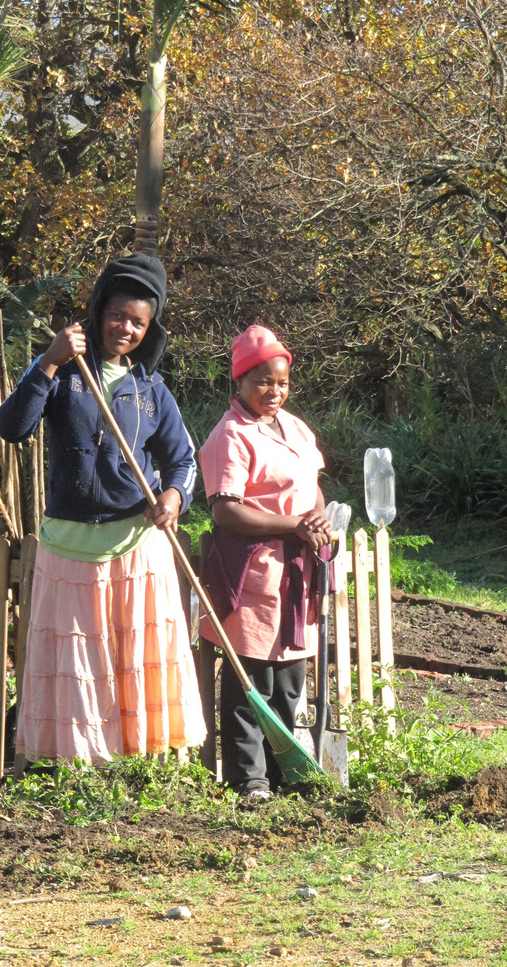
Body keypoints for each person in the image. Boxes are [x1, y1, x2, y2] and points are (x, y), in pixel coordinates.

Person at [0, 254, 206, 764]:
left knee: (132, 659)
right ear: (97, 313)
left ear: (149, 328)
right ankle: (78, 765)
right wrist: (48, 360)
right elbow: (12, 427)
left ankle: (135, 761)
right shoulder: (64, 373)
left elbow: (183, 461)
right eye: (117, 316)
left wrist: (174, 498)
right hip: (69, 545)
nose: (126, 328)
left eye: (139, 321)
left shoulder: (151, 390)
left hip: (135, 546)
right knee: (77, 661)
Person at [198, 325, 331, 798]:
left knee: (290, 680)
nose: (274, 392)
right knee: (250, 683)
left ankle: (285, 773)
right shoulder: (229, 435)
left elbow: (312, 487)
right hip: (252, 572)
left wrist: (315, 521)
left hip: (297, 573)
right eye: (262, 382)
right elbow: (224, 509)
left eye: (282, 383)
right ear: (239, 382)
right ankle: (249, 780)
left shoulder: (295, 428)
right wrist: (292, 524)